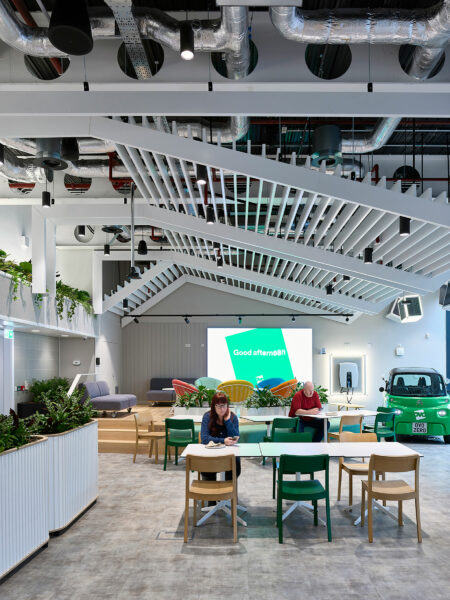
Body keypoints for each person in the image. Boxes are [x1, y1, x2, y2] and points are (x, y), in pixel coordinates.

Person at [201, 392, 241, 487]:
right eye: (218, 406)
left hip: (229, 455)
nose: (221, 409)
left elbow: (236, 437)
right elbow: (204, 438)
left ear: (227, 405)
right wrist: (224, 441)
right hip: (210, 453)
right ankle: (212, 499)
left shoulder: (233, 417)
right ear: (213, 406)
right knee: (207, 472)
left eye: (223, 405)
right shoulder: (207, 416)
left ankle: (228, 496)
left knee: (234, 469)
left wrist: (227, 421)